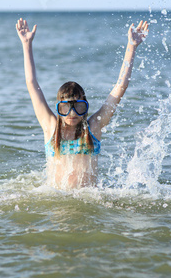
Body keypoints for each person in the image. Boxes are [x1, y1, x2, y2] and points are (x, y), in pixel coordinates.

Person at [16, 18, 149, 190]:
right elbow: (31, 84)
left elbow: (120, 86)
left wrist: (131, 47)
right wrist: (26, 45)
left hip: (88, 200)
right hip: (57, 204)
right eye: (65, 107)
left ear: (85, 108)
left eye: (78, 107)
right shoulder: (50, 127)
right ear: (58, 109)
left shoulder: (93, 127)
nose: (72, 113)